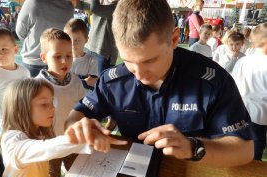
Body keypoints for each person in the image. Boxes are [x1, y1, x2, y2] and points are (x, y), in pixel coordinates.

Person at [65, 0, 254, 168]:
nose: (138, 75)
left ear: (173, 39)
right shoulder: (113, 81)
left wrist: (192, 147)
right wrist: (80, 127)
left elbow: (245, 150)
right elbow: (76, 116)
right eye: (128, 61)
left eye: (149, 61)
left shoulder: (212, 81)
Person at [0, 78, 125, 177]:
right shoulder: (11, 141)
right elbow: (47, 148)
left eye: (52, 102)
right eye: (44, 104)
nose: (52, 108)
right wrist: (85, 136)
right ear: (21, 107)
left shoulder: (36, 133)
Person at [36, 28, 86, 177]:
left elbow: (83, 108)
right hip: (50, 145)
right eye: (58, 57)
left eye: (69, 56)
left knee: (77, 175)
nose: (64, 61)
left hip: (73, 142)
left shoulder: (77, 82)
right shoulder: (36, 86)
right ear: (44, 58)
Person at [231, 22, 267, 160]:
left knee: (248, 143)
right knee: (257, 144)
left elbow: (233, 85)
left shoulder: (243, 61)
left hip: (244, 111)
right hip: (260, 112)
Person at [16, 0, 78, 77]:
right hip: (60, 61)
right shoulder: (69, 5)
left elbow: (20, 32)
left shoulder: (32, 3)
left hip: (34, 60)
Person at [85, 0, 118, 75]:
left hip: (103, 53)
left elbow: (95, 8)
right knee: (85, 84)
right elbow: (82, 5)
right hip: (89, 47)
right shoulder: (101, 1)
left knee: (101, 85)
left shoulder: (118, 6)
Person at [64, 18, 98, 90]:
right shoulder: (62, 59)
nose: (73, 44)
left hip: (83, 99)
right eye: (69, 40)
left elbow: (92, 82)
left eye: (77, 40)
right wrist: (84, 81)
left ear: (86, 40)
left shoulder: (91, 60)